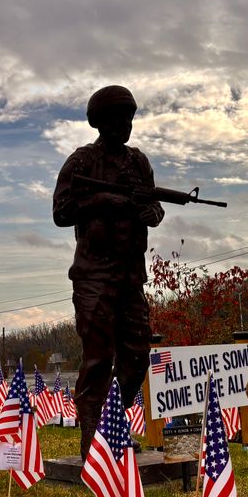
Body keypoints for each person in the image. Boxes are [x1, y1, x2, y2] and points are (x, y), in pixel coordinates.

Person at [53, 86, 164, 458]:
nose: (126, 125)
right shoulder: (82, 162)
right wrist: (104, 200)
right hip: (94, 275)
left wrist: (153, 213)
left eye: (129, 118)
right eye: (118, 118)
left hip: (131, 274)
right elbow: (61, 212)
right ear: (100, 122)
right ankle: (92, 443)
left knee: (136, 354)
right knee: (97, 358)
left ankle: (111, 425)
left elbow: (154, 206)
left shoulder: (138, 163)